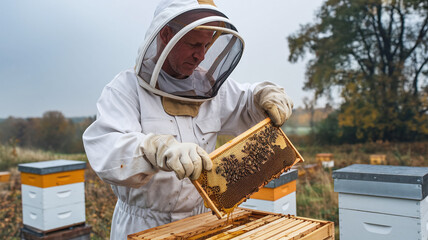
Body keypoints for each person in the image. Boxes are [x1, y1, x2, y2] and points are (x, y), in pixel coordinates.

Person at [82, 0, 293, 239]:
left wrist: (262, 96)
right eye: (194, 44)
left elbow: (245, 103)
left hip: (202, 220)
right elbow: (106, 151)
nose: (201, 56)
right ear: (166, 34)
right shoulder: (125, 89)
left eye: (206, 44)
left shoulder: (208, 86)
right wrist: (155, 150)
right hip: (143, 225)